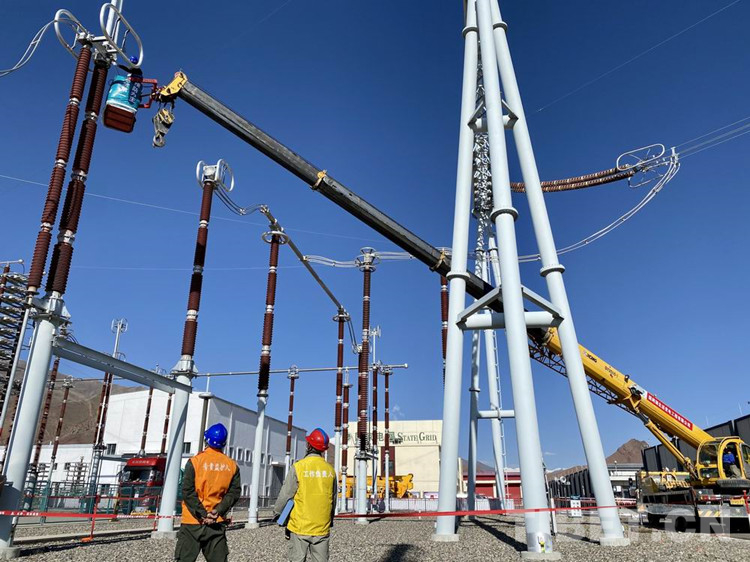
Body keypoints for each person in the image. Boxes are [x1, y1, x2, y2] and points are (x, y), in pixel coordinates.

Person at [175, 423, 241, 562]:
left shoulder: (195, 462)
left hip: (192, 521)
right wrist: (217, 511)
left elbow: (187, 491)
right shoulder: (231, 465)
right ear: (224, 443)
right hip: (217, 522)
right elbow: (234, 493)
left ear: (206, 440)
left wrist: (203, 514)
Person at [273, 427, 337, 562]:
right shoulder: (330, 470)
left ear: (309, 445)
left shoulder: (299, 467)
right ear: (323, 449)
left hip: (299, 527)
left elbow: (286, 494)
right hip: (322, 527)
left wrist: (277, 513)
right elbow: (333, 498)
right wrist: (329, 520)